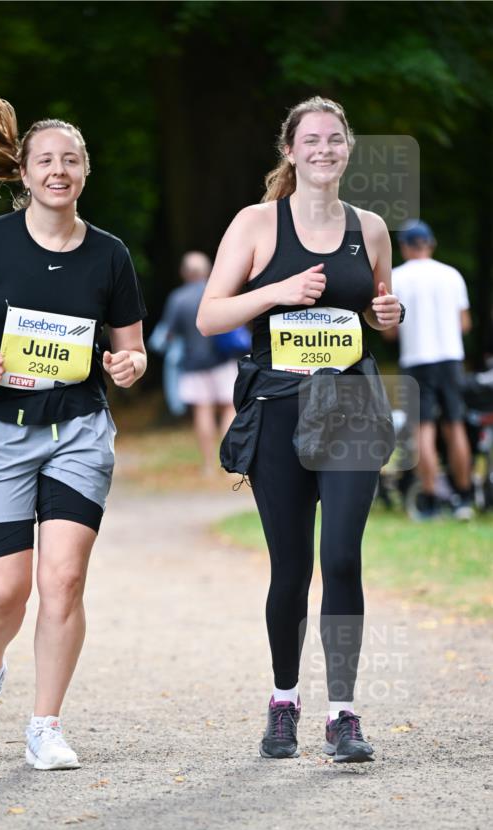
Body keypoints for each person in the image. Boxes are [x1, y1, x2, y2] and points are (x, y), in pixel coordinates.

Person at [0, 81, 147, 770]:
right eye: (46, 159)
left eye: (71, 159)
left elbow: (131, 345)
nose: (58, 170)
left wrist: (128, 365)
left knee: (62, 582)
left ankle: (46, 724)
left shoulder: (110, 254)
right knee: (2, 592)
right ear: (23, 171)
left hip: (77, 428)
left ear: (84, 171)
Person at [197, 96, 402, 764]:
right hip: (278, 408)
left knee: (341, 557)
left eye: (333, 139)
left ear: (346, 149)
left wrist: (386, 314)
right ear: (289, 150)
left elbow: (377, 313)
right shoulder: (256, 224)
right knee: (291, 568)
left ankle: (342, 713)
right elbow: (209, 315)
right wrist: (275, 293)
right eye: (309, 140)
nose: (322, 149)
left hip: (348, 407)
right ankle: (283, 701)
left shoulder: (368, 228)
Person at [386, 219, 473, 521]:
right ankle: (463, 497)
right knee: (455, 425)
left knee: (423, 428)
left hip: (416, 359)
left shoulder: (397, 278)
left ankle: (432, 497)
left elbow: (389, 332)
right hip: (450, 357)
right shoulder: (452, 275)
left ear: (405, 247)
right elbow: (464, 324)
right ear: (431, 244)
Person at [158, 252, 238, 474]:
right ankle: (231, 462)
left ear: (184, 272)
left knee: (202, 410)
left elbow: (169, 335)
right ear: (209, 270)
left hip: (192, 364)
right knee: (229, 408)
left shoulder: (177, 299)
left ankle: (208, 465)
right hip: (223, 360)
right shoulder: (220, 294)